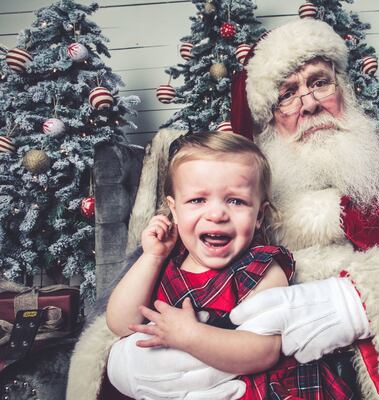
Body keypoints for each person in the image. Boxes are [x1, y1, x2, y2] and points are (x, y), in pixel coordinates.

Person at [68, 19, 379, 400]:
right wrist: (120, 363)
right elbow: (155, 290)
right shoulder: (240, 188)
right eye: (288, 94)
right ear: (267, 119)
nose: (309, 104)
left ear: (344, 90)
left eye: (320, 83)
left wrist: (360, 302)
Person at [104, 130, 355, 399]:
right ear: (174, 210)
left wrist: (191, 336)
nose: (216, 214)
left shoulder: (262, 267)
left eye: (235, 201)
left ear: (259, 215)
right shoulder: (165, 261)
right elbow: (121, 323)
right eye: (197, 200)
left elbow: (264, 351)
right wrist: (151, 257)